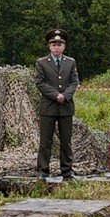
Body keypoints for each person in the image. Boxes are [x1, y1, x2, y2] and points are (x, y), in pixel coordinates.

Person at [35, 28, 80, 180]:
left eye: (59, 44)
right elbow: (40, 83)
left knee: (66, 141)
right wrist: (56, 95)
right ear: (49, 46)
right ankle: (43, 170)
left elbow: (74, 82)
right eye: (54, 44)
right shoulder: (41, 62)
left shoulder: (70, 62)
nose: (56, 47)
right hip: (48, 107)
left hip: (65, 107)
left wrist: (65, 96)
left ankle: (67, 170)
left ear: (64, 46)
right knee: (45, 141)